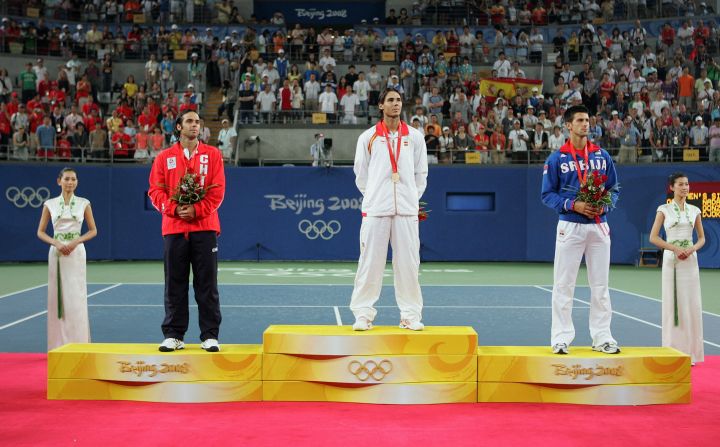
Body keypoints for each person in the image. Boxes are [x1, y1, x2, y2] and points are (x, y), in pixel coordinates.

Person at [541, 105, 621, 355]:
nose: (585, 124)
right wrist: (573, 204)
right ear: (568, 125)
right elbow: (547, 195)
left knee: (601, 286)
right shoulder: (556, 158)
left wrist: (603, 207)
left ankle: (602, 337)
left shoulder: (601, 155)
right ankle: (561, 338)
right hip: (570, 226)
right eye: (580, 120)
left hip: (598, 226)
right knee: (564, 284)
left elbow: (614, 189)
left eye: (587, 120)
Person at [350, 87, 429, 331]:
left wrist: (409, 199)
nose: (396, 104)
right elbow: (361, 176)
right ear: (381, 106)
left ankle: (410, 315)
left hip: (406, 211)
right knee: (370, 263)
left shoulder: (415, 137)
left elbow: (421, 174)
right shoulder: (368, 137)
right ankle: (363, 314)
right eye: (390, 100)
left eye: (399, 100)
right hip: (376, 210)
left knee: (408, 264)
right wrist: (375, 197)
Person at [148, 110, 226, 352]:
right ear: (179, 127)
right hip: (174, 229)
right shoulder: (164, 157)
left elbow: (218, 191)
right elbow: (155, 191)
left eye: (198, 122)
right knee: (174, 283)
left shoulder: (212, 155)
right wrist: (174, 208)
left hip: (204, 228)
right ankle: (174, 335)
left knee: (207, 284)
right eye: (190, 121)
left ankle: (210, 336)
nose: (195, 125)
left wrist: (197, 210)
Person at [36, 168, 97, 350]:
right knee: (58, 299)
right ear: (59, 181)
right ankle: (57, 345)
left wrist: (77, 241)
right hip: (57, 255)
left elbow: (93, 230)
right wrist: (55, 243)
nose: (70, 182)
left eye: (73, 179)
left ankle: (79, 343)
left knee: (77, 298)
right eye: (66, 179)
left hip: (77, 253)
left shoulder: (84, 203)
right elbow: (40, 232)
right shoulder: (50, 204)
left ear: (77, 182)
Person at [649, 173, 705, 365]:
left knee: (691, 305)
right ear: (671, 187)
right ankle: (672, 351)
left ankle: (691, 354)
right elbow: (654, 238)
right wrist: (674, 248)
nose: (685, 187)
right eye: (681, 184)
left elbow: (702, 238)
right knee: (673, 306)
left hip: (690, 261)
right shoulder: (663, 210)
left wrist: (691, 249)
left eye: (687, 184)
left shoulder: (695, 210)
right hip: (672, 260)